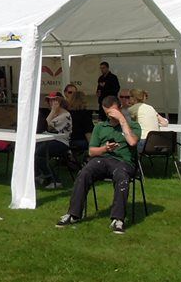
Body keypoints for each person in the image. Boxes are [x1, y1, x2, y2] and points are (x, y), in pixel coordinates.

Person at [56, 95, 140, 234]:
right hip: (103, 159)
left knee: (121, 176)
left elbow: (132, 142)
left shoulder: (133, 125)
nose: (111, 115)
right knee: (84, 172)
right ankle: (73, 214)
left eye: (113, 112)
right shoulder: (100, 127)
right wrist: (105, 149)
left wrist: (122, 121)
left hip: (123, 162)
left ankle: (118, 219)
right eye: (108, 113)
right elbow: (92, 151)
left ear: (119, 108)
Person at [35, 92, 73, 188]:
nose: (51, 102)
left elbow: (44, 125)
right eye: (50, 100)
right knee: (31, 149)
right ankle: (38, 175)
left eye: (54, 100)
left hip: (61, 142)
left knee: (39, 153)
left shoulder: (65, 115)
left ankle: (54, 180)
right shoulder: (54, 114)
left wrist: (52, 111)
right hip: (48, 140)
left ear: (60, 101)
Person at [125, 89, 168, 153]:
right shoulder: (150, 107)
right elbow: (164, 123)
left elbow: (125, 123)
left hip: (143, 142)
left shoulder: (132, 109)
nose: (127, 99)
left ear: (134, 98)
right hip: (156, 142)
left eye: (128, 97)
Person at [66, 89, 93, 156]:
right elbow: (88, 132)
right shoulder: (84, 114)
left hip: (68, 141)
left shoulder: (67, 113)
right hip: (80, 141)